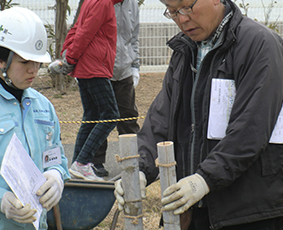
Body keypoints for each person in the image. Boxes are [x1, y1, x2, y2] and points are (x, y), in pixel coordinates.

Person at [114, 0, 283, 229]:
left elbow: (251, 129)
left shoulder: (259, 45)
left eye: (187, 7)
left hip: (248, 212)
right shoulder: (186, 51)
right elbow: (161, 120)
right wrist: (139, 169)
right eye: (172, 12)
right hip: (195, 208)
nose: (182, 19)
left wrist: (204, 179)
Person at [0, 7, 70, 230]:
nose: (34, 70)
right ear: (1, 60)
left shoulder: (44, 107)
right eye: (25, 62)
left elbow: (55, 158)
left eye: (38, 62)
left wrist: (56, 176)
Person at [49, 0, 122, 181]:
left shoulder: (92, 1)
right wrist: (70, 58)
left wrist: (68, 54)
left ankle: (77, 165)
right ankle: (82, 163)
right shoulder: (103, 3)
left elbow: (76, 29)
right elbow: (84, 32)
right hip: (94, 66)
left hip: (85, 66)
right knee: (110, 115)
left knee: (91, 116)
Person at [92, 0, 141, 177]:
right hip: (100, 70)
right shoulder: (98, 3)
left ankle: (132, 160)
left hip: (124, 70)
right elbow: (84, 32)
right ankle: (95, 161)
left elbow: (133, 38)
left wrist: (135, 66)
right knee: (99, 118)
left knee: (129, 117)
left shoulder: (132, 4)